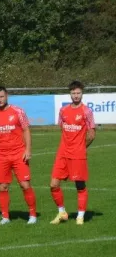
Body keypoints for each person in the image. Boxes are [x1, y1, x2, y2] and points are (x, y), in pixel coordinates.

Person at [0, 87, 37, 225]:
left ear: (7, 96)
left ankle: (32, 215)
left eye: (1, 97)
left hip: (19, 153)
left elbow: (26, 130)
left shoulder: (18, 111)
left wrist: (28, 150)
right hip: (1, 155)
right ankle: (5, 217)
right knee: (2, 187)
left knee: (25, 185)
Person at [49, 81, 96, 225]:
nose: (76, 96)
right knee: (53, 185)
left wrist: (81, 147)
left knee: (80, 185)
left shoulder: (86, 111)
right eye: (73, 93)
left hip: (77, 154)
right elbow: (62, 128)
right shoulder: (63, 111)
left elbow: (92, 134)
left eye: (78, 93)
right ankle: (62, 212)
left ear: (82, 93)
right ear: (70, 94)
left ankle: (80, 216)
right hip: (62, 153)